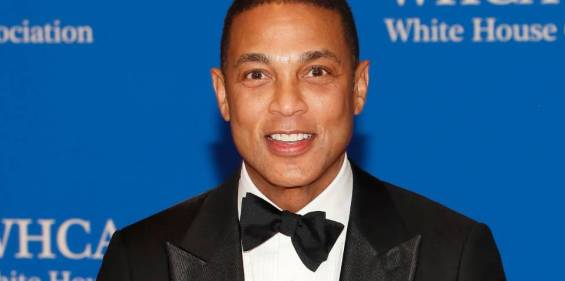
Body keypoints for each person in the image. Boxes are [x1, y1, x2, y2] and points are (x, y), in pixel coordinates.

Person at [97, 1, 506, 280]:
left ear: (358, 87)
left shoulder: (452, 256)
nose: (287, 105)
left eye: (316, 72)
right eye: (257, 74)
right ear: (223, 95)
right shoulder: (140, 259)